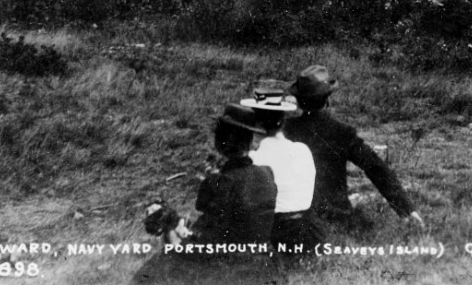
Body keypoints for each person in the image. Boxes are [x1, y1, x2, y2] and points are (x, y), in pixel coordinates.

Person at [135, 103, 276, 284]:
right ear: (249, 142)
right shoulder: (267, 173)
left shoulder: (218, 182)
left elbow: (211, 231)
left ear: (220, 143)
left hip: (227, 267)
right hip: (263, 265)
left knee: (157, 263)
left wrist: (173, 225)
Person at [284, 65, 424, 228]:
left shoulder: (286, 130)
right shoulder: (342, 132)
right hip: (334, 215)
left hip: (294, 214)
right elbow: (376, 168)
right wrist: (406, 209)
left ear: (299, 100)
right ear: (328, 98)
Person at [242, 80, 321, 258]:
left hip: (276, 233)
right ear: (282, 120)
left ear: (256, 125)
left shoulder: (255, 160)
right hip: (308, 232)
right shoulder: (302, 150)